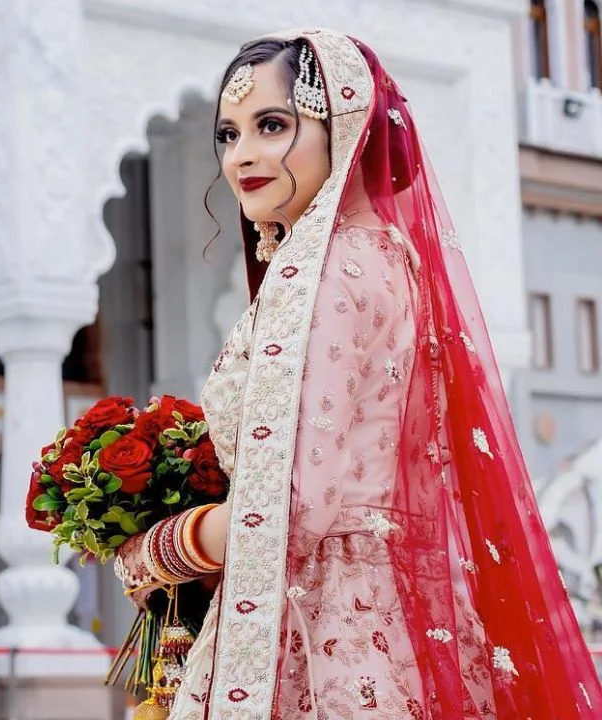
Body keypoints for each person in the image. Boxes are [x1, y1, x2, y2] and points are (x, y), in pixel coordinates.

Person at [113, 28, 602, 718]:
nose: (243, 154)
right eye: (228, 134)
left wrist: (155, 550)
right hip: (392, 618)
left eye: (273, 124)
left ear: (344, 126)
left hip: (324, 633)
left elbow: (294, 506)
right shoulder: (387, 257)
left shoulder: (330, 271)